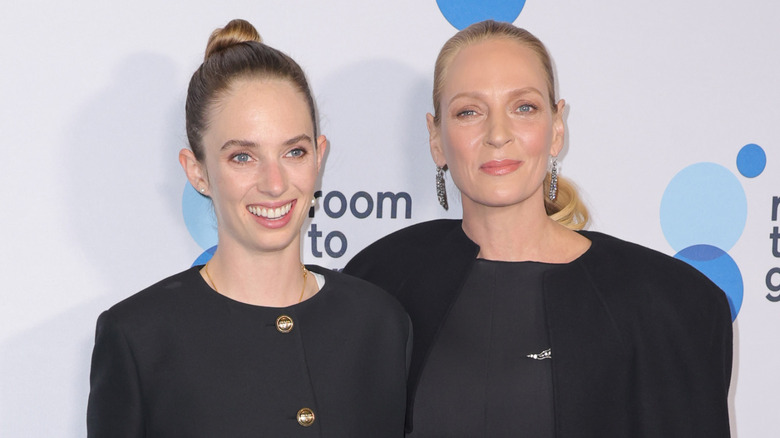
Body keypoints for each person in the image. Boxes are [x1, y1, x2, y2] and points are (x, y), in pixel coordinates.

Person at [344, 20, 732, 437]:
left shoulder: (667, 303)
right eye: (469, 112)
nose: (498, 135)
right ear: (436, 137)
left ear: (556, 127)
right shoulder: (380, 282)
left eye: (523, 107)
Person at [87, 19, 410, 437]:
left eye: (294, 151)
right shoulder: (139, 338)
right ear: (197, 171)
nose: (274, 183)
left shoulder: (380, 323)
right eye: (242, 156)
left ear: (319, 157)